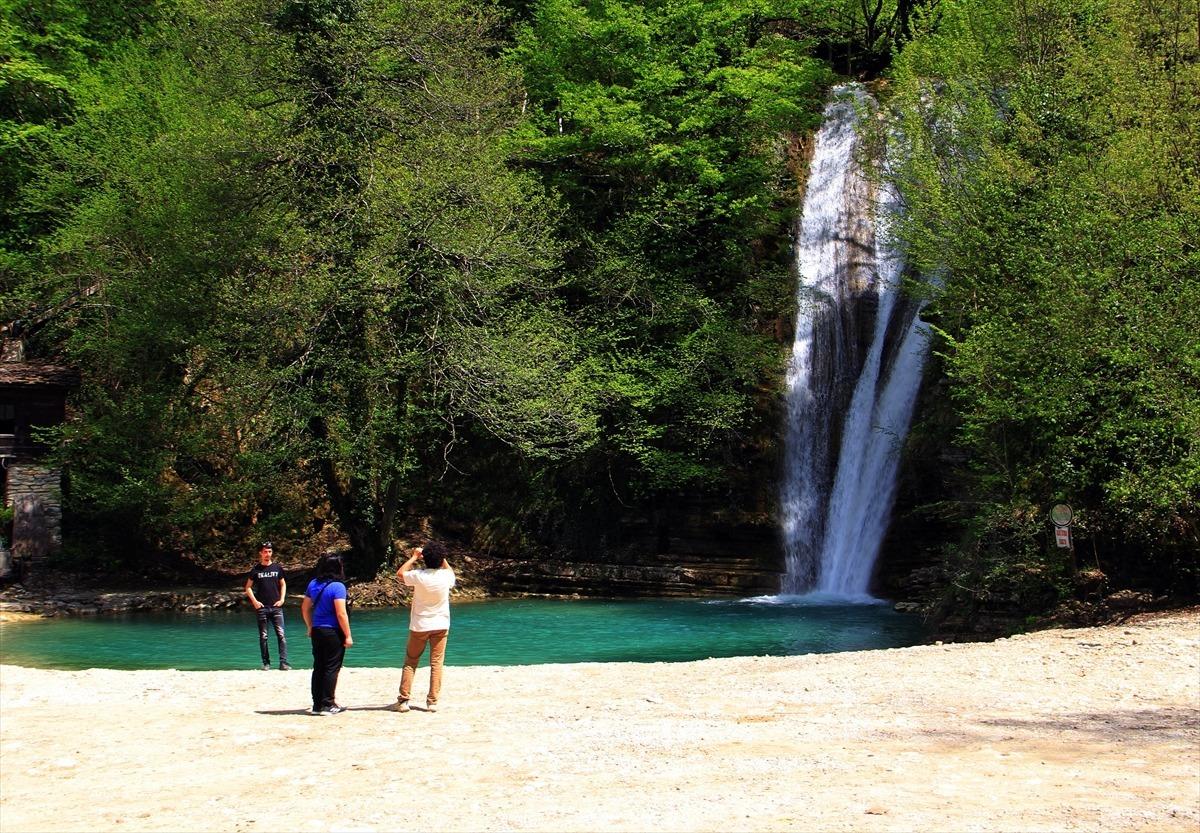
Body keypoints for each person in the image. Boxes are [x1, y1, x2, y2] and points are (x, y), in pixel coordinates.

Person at [392, 541, 455, 713]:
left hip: (420, 625)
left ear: (425, 559)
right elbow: (450, 571)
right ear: (441, 559)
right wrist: (441, 558)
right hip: (441, 624)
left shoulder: (418, 575)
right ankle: (432, 702)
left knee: (411, 661)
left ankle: (404, 700)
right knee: (436, 663)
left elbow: (400, 573)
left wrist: (414, 557)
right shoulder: (445, 577)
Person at [301, 553, 353, 715]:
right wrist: (348, 635)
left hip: (317, 630)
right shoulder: (338, 587)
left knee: (319, 666)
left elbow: (304, 607)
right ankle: (328, 703)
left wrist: (310, 626)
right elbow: (341, 613)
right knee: (332, 667)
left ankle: (317, 705)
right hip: (333, 631)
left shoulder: (313, 584)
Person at [244, 541, 290, 671]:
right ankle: (266, 663)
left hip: (276, 607)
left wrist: (282, 599)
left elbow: (283, 584)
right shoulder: (256, 570)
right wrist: (255, 602)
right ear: (260, 553)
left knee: (281, 634)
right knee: (264, 636)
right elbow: (247, 587)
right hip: (262, 608)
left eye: (269, 551)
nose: (267, 554)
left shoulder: (277, 568)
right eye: (265, 551)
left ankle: (283, 662)